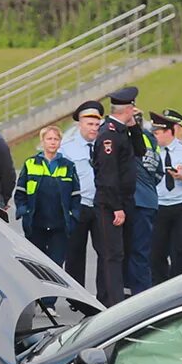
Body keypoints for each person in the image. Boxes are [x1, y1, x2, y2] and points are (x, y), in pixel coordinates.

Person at [91, 87, 145, 306]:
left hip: (125, 201)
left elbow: (140, 150)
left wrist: (134, 127)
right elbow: (107, 175)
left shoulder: (123, 130)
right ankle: (112, 303)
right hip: (110, 204)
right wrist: (116, 207)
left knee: (121, 253)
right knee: (112, 255)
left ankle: (108, 298)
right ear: (129, 108)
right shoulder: (109, 135)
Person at [13, 125, 80, 271]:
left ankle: (52, 295)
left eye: (56, 139)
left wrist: (73, 216)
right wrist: (24, 210)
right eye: (49, 139)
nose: (52, 142)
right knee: (36, 266)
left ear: (60, 142)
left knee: (56, 266)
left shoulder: (68, 166)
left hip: (60, 226)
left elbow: (76, 195)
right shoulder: (30, 164)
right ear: (42, 142)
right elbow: (20, 191)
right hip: (36, 224)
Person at [148, 112, 182, 284]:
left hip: (181, 207)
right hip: (158, 207)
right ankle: (158, 291)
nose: (154, 136)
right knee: (156, 253)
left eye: (157, 133)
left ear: (170, 132)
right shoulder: (150, 151)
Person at [61, 100, 102, 289]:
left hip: (102, 205)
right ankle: (76, 294)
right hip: (79, 204)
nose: (94, 128)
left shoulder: (105, 145)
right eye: (89, 123)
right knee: (75, 252)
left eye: (97, 124)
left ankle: (104, 294)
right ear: (80, 124)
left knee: (105, 252)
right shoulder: (67, 149)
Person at [122, 111, 161, 297]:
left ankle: (134, 293)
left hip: (134, 200)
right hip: (148, 200)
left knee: (130, 250)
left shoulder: (127, 140)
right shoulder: (152, 140)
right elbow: (159, 173)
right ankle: (141, 292)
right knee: (141, 251)